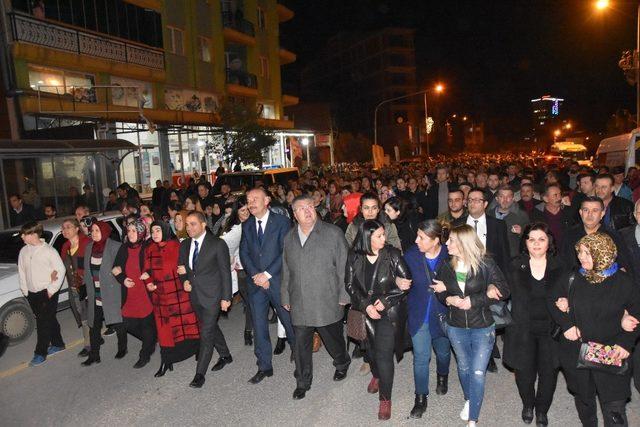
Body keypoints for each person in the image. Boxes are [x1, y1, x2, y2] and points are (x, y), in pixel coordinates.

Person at [549, 232, 640, 426]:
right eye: (580, 252)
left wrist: (626, 342)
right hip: (579, 350)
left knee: (614, 408)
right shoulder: (573, 277)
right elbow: (552, 299)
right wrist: (567, 324)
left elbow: (637, 314)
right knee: (584, 399)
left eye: (588, 253)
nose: (581, 257)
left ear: (603, 254)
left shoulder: (624, 282)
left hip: (611, 351)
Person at [433, 224, 510, 427]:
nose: (446, 243)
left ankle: (473, 419)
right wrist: (448, 298)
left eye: (451, 241)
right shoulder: (446, 265)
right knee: (464, 366)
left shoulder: (486, 264)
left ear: (464, 243)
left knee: (477, 372)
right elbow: (439, 292)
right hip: (456, 326)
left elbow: (504, 290)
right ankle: (470, 399)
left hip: (483, 326)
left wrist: (473, 301)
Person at [281, 194, 351, 400]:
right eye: (302, 208)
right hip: (300, 300)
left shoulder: (333, 233)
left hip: (326, 298)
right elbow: (286, 270)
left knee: (333, 339)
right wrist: (285, 295)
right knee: (301, 343)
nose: (308, 211)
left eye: (310, 206)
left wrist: (344, 294)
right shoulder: (289, 238)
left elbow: (344, 266)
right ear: (294, 214)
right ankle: (303, 381)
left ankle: (342, 362)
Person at [345, 219, 412, 420]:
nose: (384, 238)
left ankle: (385, 398)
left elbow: (407, 283)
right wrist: (365, 305)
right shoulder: (354, 256)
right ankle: (376, 373)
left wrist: (385, 301)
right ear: (367, 238)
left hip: (387, 314)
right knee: (370, 352)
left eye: (384, 234)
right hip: (365, 312)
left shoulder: (392, 254)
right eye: (379, 236)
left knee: (383, 355)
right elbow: (350, 285)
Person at [503, 223, 563, 426]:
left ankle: (542, 410)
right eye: (531, 239)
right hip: (522, 328)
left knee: (548, 373)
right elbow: (502, 288)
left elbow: (572, 291)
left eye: (541, 239)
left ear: (549, 242)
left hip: (551, 329)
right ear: (525, 242)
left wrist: (567, 301)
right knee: (524, 373)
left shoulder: (560, 265)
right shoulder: (514, 265)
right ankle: (528, 404)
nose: (536, 243)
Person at [239, 188, 295, 384]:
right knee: (259, 325)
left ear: (267, 200)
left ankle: (300, 360)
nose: (251, 203)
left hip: (277, 281)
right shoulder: (246, 225)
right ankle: (264, 366)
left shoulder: (281, 222)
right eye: (248, 200)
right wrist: (256, 274)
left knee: (288, 321)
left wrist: (267, 274)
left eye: (255, 199)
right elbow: (244, 253)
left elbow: (285, 251)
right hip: (256, 284)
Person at [403, 220, 456, 418]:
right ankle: (420, 397)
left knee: (443, 353)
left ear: (435, 241)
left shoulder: (450, 255)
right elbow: (398, 275)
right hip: (418, 314)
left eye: (422, 238)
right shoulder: (410, 255)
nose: (416, 240)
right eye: (417, 235)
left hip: (442, 313)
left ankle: (443, 376)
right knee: (421, 358)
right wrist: (399, 281)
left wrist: (448, 287)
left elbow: (465, 281)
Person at [178, 211, 232, 388]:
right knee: (210, 327)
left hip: (213, 296)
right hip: (195, 295)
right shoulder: (185, 245)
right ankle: (225, 355)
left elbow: (225, 272)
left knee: (206, 333)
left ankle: (199, 374)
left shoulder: (217, 244)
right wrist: (184, 281)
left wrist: (226, 297)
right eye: (187, 225)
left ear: (203, 225)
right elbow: (182, 269)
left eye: (193, 224)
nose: (189, 228)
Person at [143, 221, 200, 377]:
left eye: (158, 230)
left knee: (189, 327)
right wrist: (148, 283)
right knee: (164, 332)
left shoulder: (177, 246)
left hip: (179, 296)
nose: (154, 233)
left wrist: (187, 277)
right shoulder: (149, 249)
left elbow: (188, 267)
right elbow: (146, 271)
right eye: (152, 230)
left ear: (165, 230)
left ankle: (198, 350)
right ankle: (166, 361)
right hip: (160, 299)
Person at [18, 221, 66, 367]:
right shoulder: (24, 251)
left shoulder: (49, 251)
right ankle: (58, 344)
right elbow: (21, 271)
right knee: (48, 319)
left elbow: (60, 269)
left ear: (33, 235)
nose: (22, 237)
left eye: (24, 234)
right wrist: (25, 290)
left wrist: (51, 290)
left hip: (47, 292)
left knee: (42, 322)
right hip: (31, 293)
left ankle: (40, 353)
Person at [112, 220, 156, 369]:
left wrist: (148, 274)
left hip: (144, 293)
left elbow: (156, 265)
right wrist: (123, 279)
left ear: (141, 232)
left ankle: (145, 355)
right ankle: (151, 340)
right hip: (129, 293)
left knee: (146, 325)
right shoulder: (124, 248)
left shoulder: (148, 247)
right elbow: (115, 268)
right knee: (128, 324)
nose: (130, 234)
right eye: (128, 231)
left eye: (133, 231)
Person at [81, 221, 126, 366]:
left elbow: (120, 270)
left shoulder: (115, 247)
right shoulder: (89, 248)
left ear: (104, 231)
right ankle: (94, 355)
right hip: (95, 294)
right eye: (92, 230)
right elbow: (88, 272)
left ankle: (122, 348)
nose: (93, 233)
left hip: (111, 292)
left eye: (97, 230)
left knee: (118, 323)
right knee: (94, 326)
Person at [60, 218, 92, 357]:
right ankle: (91, 340)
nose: (64, 230)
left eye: (68, 227)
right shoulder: (65, 247)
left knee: (91, 313)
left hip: (88, 285)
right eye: (63, 228)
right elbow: (63, 267)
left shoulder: (86, 243)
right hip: (74, 287)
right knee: (82, 314)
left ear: (77, 228)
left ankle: (90, 342)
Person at [487, 185, 530, 258]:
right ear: (497, 199)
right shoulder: (488, 214)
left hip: (512, 257)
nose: (505, 200)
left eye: (508, 197)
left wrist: (521, 232)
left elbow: (530, 236)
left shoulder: (521, 215)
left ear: (513, 199)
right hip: (491, 256)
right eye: (501, 197)